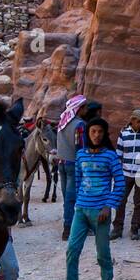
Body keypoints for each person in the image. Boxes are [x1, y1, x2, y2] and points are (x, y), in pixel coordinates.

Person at [58, 117, 123, 280]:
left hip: (101, 213)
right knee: (72, 251)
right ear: (88, 133)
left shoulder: (111, 156)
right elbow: (78, 182)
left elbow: (119, 184)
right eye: (93, 131)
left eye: (100, 132)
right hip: (81, 211)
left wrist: (108, 206)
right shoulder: (81, 156)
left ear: (104, 134)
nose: (96, 135)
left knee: (103, 254)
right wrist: (79, 203)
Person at [113, 109, 140, 240]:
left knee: (139, 202)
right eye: (138, 122)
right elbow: (118, 154)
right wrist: (117, 173)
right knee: (120, 200)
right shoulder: (123, 134)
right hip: (125, 174)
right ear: (132, 120)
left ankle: (135, 228)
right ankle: (117, 228)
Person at [55, 94, 86, 240]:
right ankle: (68, 228)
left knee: (67, 196)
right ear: (79, 108)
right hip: (73, 164)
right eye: (84, 107)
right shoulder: (79, 125)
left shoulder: (62, 121)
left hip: (61, 162)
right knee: (71, 198)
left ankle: (69, 223)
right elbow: (80, 146)